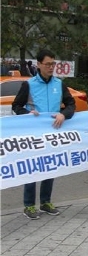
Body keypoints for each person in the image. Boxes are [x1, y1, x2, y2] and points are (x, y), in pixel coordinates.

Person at [12, 49, 76, 220]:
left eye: (53, 64)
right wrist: (26, 112)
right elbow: (16, 106)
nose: (51, 67)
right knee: (32, 168)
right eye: (48, 64)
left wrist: (64, 114)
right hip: (34, 135)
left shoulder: (59, 84)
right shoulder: (29, 85)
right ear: (39, 64)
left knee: (50, 167)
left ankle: (46, 202)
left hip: (53, 134)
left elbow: (71, 104)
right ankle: (29, 205)